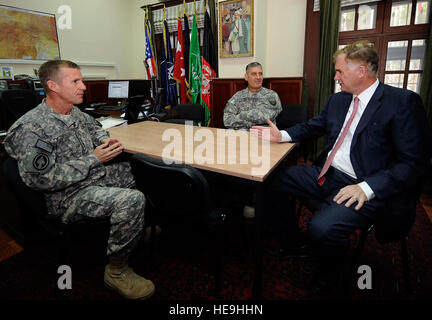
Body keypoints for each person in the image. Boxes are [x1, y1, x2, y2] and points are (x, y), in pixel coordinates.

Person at [251, 41, 431, 291]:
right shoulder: (338, 101)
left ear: (361, 72)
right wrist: (281, 135)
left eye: (339, 72)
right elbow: (314, 126)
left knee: (322, 228)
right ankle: (293, 242)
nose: (335, 77)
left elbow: (413, 163)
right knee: (272, 180)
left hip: (365, 185)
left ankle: (329, 276)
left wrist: (367, 188)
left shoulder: (401, 103)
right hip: (327, 173)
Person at [3, 60, 155, 300]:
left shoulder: (74, 112)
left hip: (91, 179)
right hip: (65, 196)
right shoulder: (32, 128)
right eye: (75, 81)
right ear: (53, 86)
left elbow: (95, 130)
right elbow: (40, 180)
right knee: (131, 200)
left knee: (145, 170)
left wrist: (106, 142)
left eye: (81, 80)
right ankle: (117, 270)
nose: (83, 86)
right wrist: (92, 160)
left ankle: (133, 229)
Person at [223, 62, 282, 131]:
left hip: (264, 135)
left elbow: (267, 117)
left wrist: (241, 115)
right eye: (254, 74)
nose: (258, 77)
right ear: (246, 77)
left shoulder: (271, 95)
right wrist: (252, 124)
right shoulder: (238, 96)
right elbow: (227, 120)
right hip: (242, 133)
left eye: (260, 74)